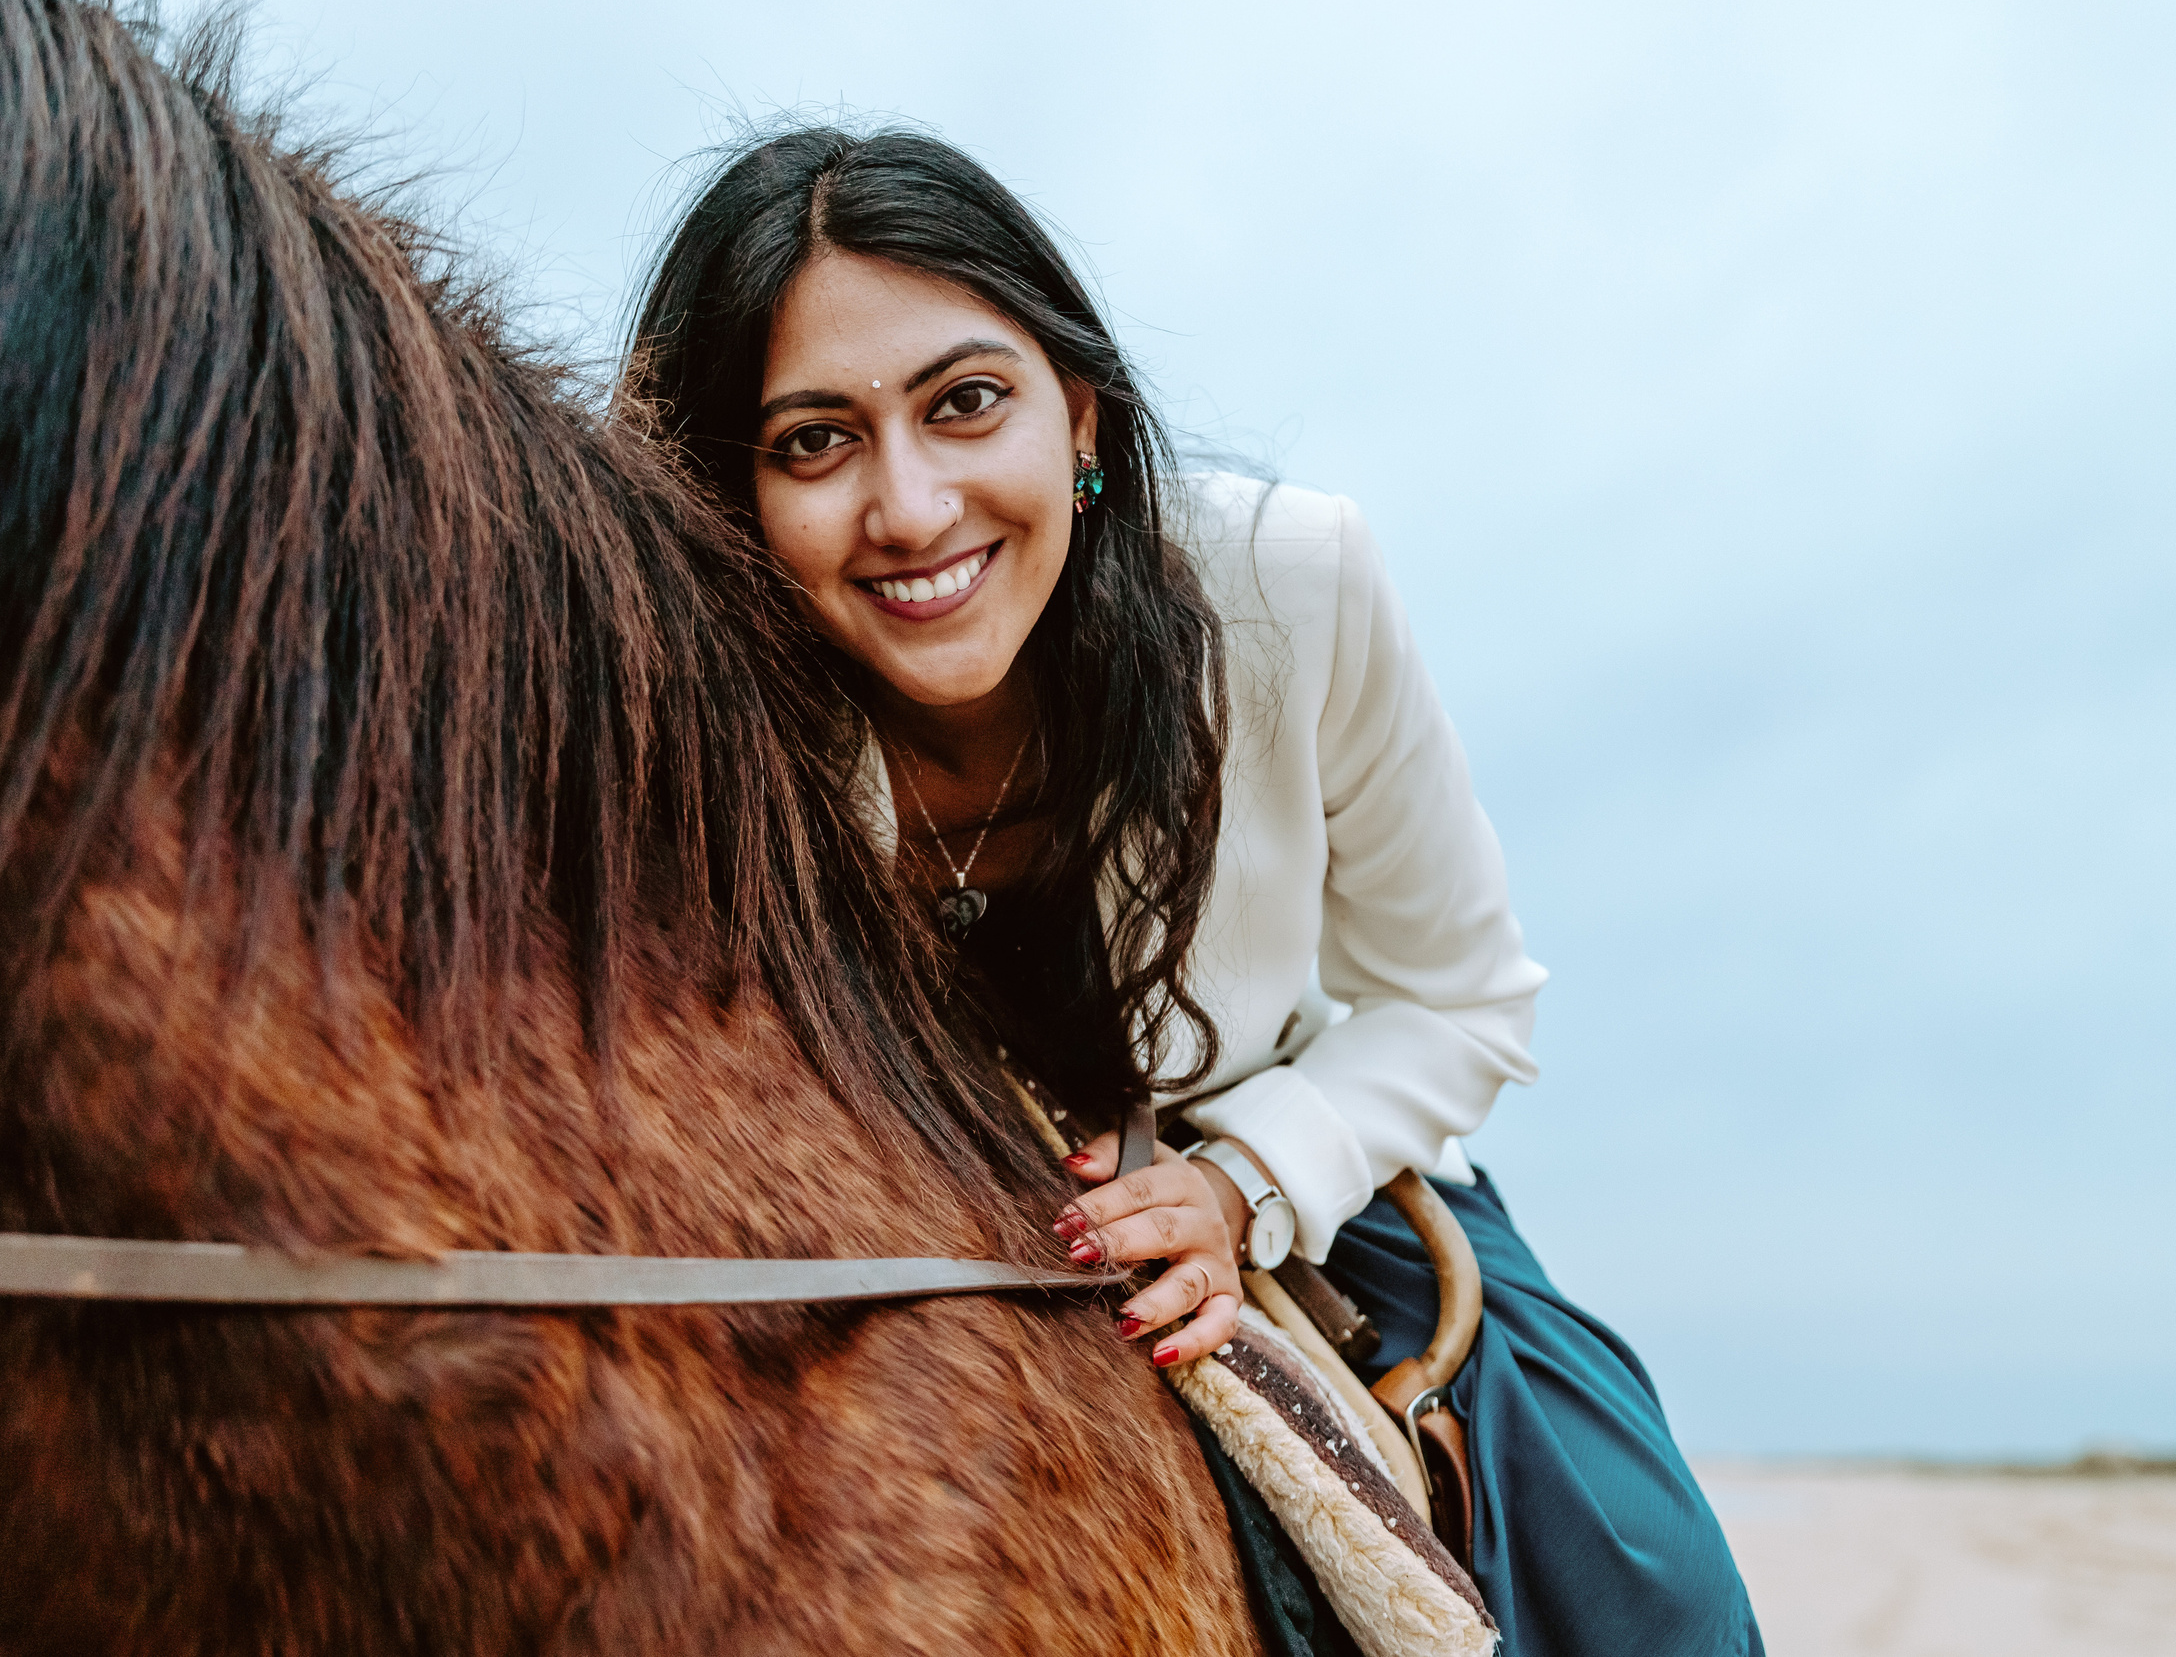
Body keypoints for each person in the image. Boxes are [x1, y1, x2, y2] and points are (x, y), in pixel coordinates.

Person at [623, 125, 1762, 1657]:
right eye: (812, 441)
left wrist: (1245, 1185)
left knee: (1650, 1585)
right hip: (866, 1213)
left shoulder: (1286, 585)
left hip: (1278, 1170)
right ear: (729, 489)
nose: (907, 508)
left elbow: (1463, 999)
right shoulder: (689, 696)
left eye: (967, 405)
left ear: (1076, 415)